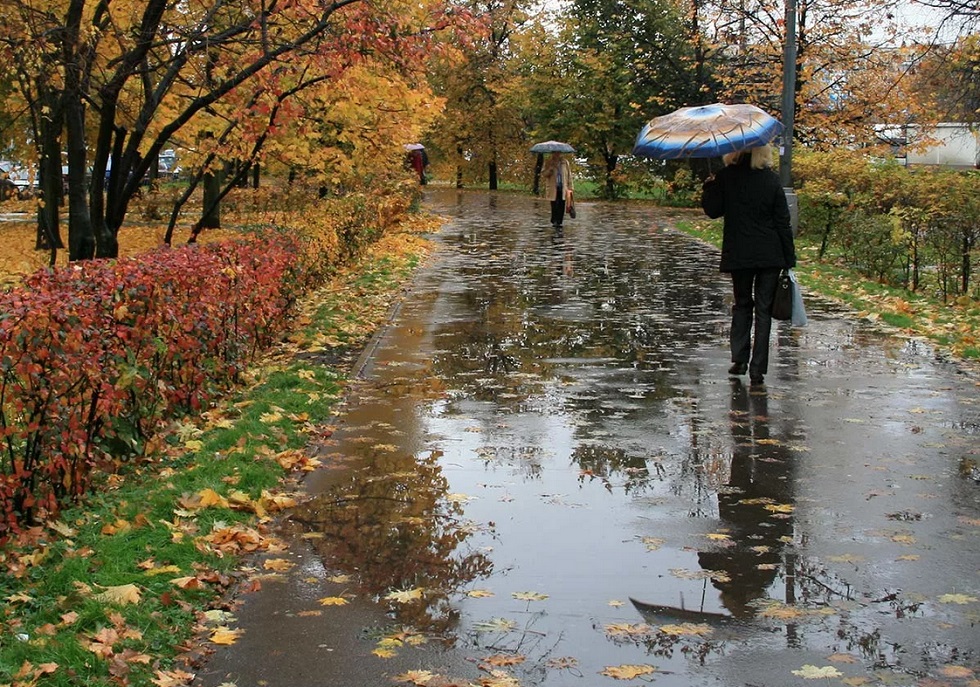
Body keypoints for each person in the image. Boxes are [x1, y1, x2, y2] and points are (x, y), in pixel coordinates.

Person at [701, 145, 796, 385]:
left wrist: (709, 186)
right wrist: (789, 258)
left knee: (742, 304)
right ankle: (758, 369)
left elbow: (713, 211)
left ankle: (739, 359)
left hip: (740, 254)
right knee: (764, 310)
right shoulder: (771, 180)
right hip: (770, 254)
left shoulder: (726, 177)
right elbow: (782, 222)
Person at [541, 152, 573, 228]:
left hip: (563, 187)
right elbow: (544, 174)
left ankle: (559, 221)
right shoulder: (548, 162)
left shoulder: (565, 162)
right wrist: (550, 170)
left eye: (559, 153)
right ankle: (554, 220)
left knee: (562, 204)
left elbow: (569, 175)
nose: (557, 154)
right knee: (554, 204)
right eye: (555, 153)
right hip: (553, 187)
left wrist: (571, 187)